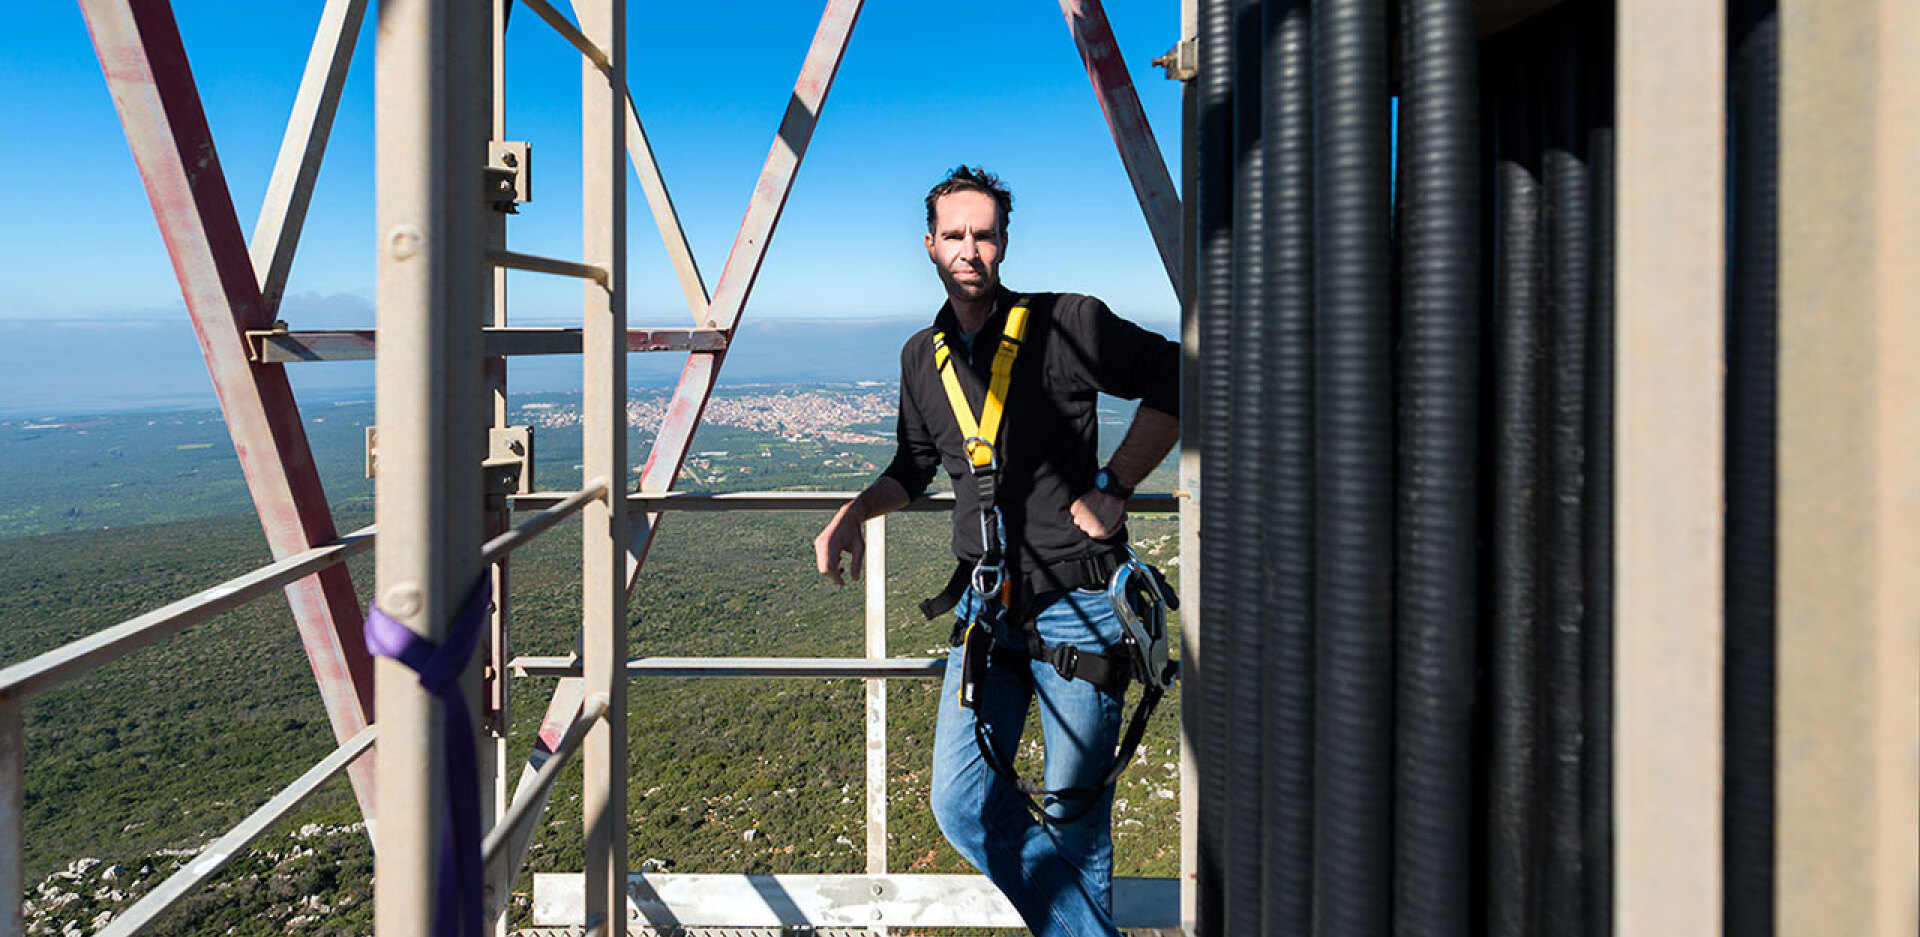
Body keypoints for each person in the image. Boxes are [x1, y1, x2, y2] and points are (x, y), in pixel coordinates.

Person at [812, 165, 1179, 937]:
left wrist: (1116, 483)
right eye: (955, 234)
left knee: (1077, 828)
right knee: (959, 799)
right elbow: (913, 467)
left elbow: (1179, 374)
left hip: (1080, 605)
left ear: (1004, 241)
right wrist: (856, 510)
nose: (969, 248)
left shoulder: (1068, 322)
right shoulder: (923, 355)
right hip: (989, 610)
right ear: (930, 245)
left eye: (983, 234)